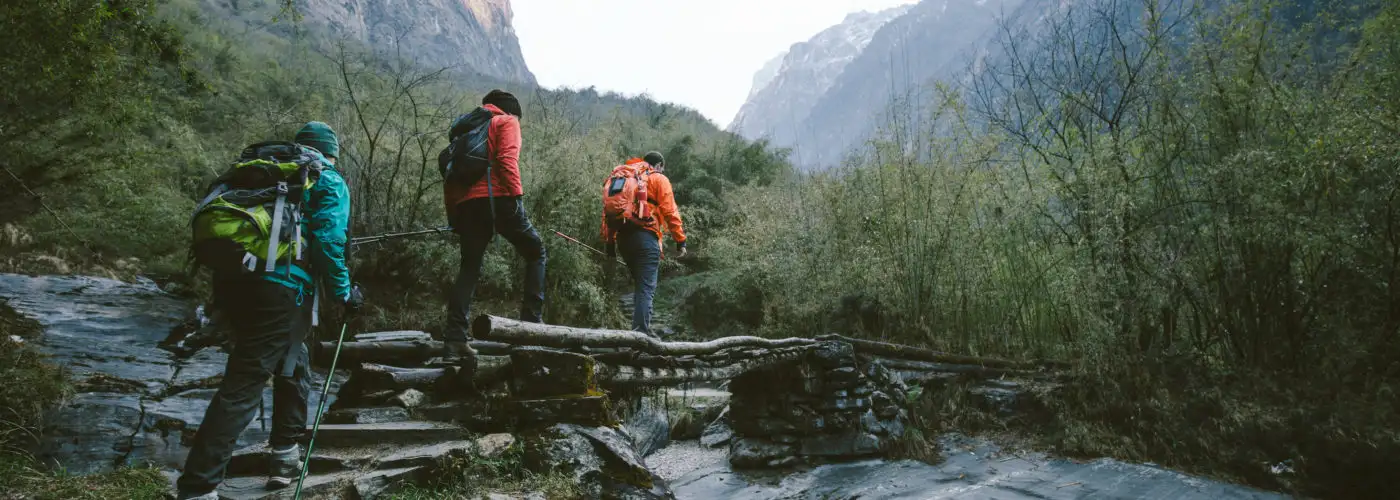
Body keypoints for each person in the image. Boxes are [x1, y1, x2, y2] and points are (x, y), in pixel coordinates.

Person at [176, 121, 362, 500]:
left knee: (294, 359)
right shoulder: (326, 178)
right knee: (245, 382)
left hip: (234, 282)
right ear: (330, 153)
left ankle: (284, 456)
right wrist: (344, 295)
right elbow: (328, 239)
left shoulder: (263, 176)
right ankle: (199, 486)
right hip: (280, 288)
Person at [443, 89, 547, 360]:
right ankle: (531, 327)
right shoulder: (505, 122)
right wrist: (517, 197)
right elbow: (506, 160)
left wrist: (454, 216)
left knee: (469, 268)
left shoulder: (465, 131)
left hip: (467, 205)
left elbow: (451, 179)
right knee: (536, 252)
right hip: (499, 198)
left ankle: (454, 339)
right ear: (511, 111)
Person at [602, 151, 687, 336]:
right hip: (646, 238)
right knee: (645, 289)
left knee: (641, 286)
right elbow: (670, 211)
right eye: (662, 168)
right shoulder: (657, 178)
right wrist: (681, 241)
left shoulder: (623, 177)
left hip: (623, 239)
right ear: (658, 165)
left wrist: (610, 244)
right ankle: (640, 336)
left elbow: (608, 213)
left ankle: (639, 331)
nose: (662, 171)